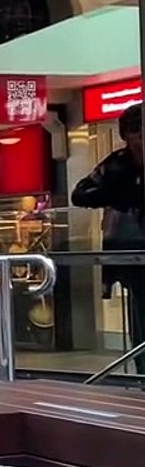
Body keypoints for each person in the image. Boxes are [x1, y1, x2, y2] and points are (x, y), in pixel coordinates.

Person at [73, 103, 145, 370]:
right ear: (126, 135)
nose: (140, 140)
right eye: (136, 133)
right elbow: (80, 194)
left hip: (131, 249)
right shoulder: (117, 164)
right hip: (129, 251)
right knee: (140, 311)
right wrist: (119, 197)